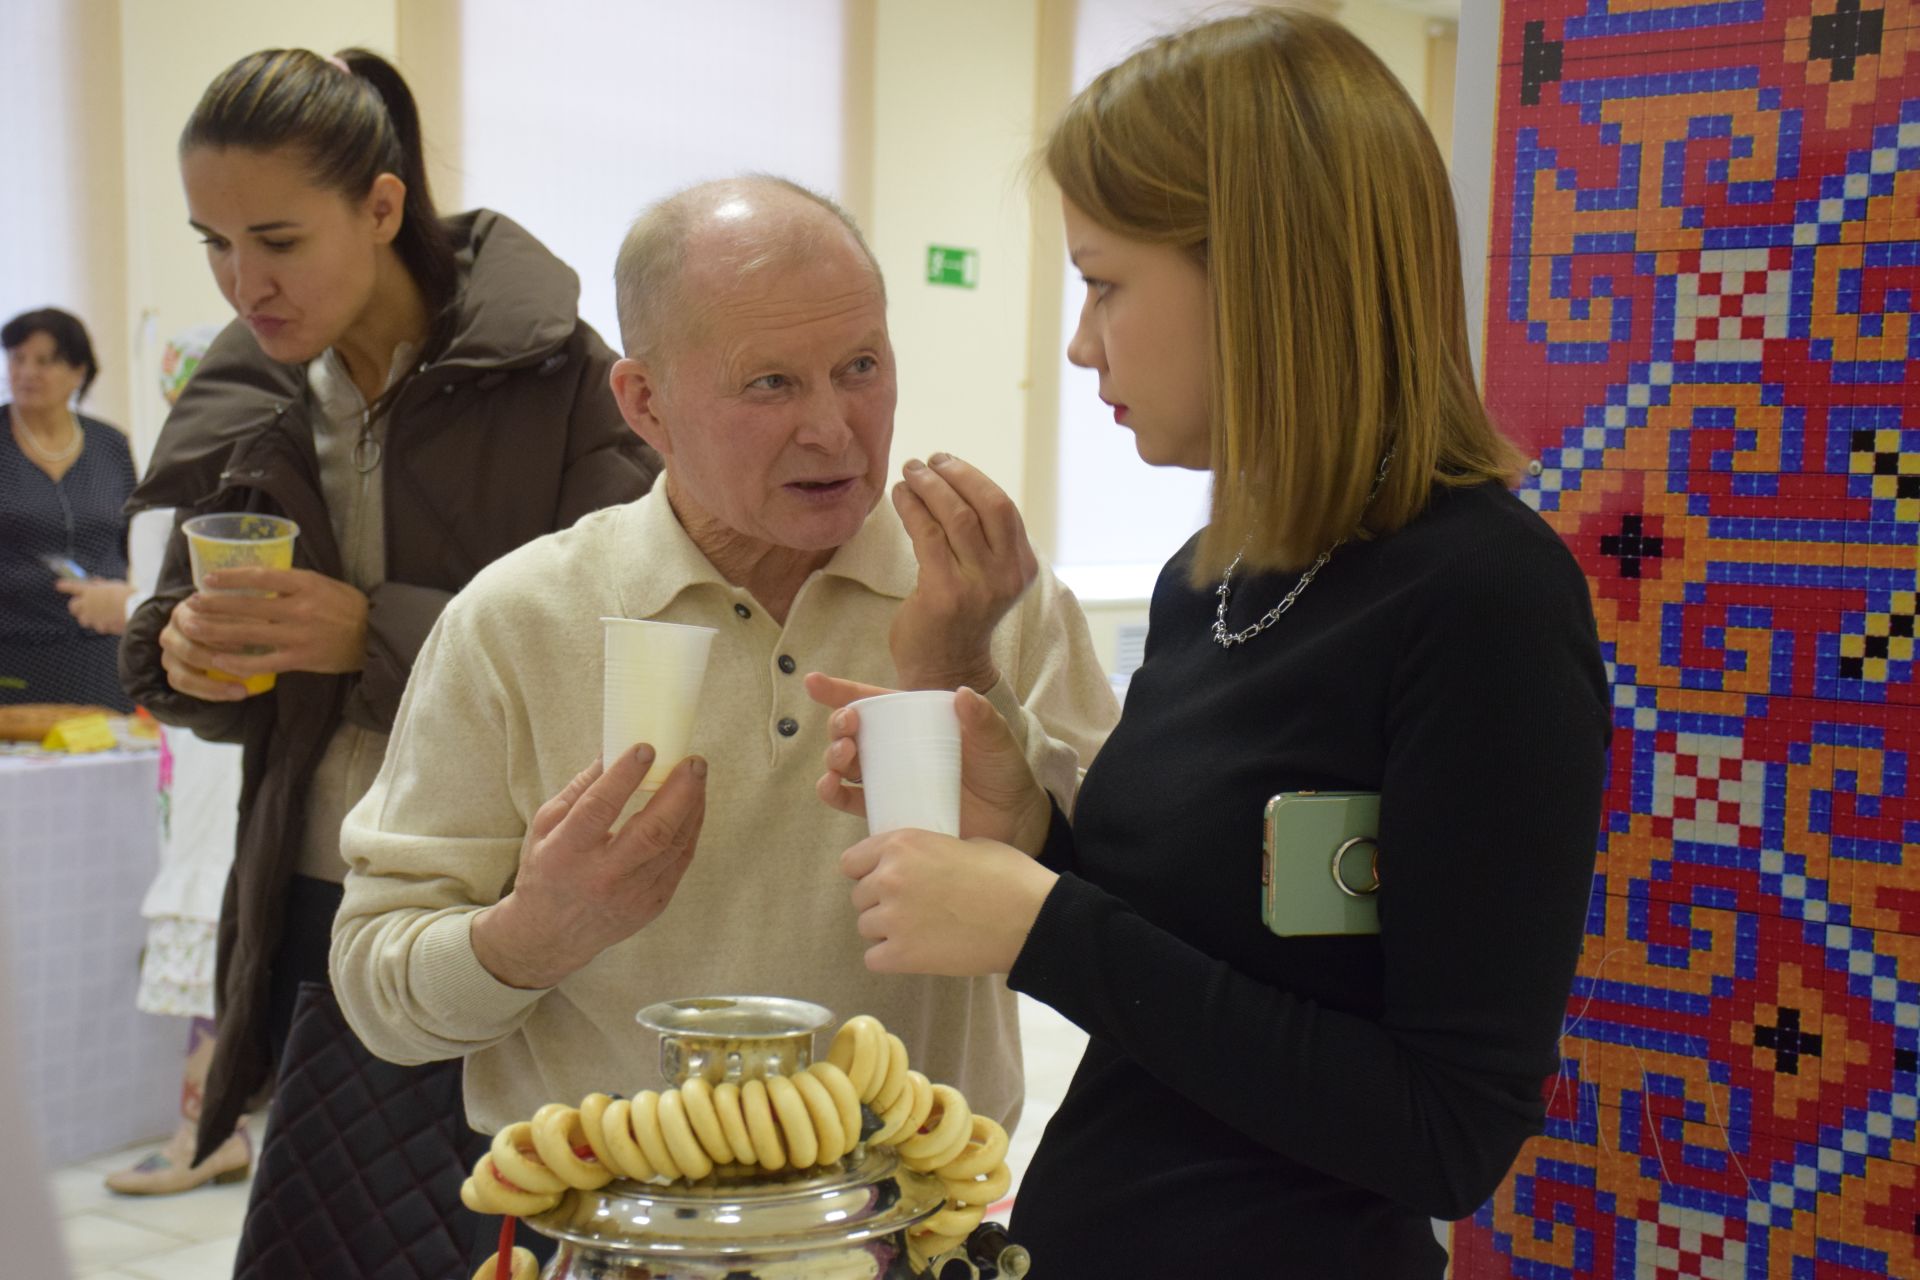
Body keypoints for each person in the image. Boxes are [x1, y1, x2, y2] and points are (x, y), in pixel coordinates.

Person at [810, 12, 1611, 1278]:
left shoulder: (1483, 601)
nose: (1080, 344)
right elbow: (1201, 970)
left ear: (1262, 272)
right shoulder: (1215, 579)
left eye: (1105, 283)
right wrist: (1029, 832)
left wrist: (1043, 923)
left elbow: (1446, 1132)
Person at [329, 178, 1118, 1248]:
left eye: (862, 367)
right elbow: (379, 989)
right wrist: (529, 935)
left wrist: (974, 689)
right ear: (643, 402)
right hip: (614, 1238)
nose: (833, 427)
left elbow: (1138, 932)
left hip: (914, 1229)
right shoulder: (520, 620)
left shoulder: (998, 599)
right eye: (771, 384)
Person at [117, 46, 659, 1274]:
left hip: (504, 899)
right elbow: (160, 648)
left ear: (380, 203)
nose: (242, 282)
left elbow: (624, 645)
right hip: (311, 883)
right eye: (212, 243)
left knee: (503, 1234)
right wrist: (189, 655)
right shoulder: (250, 392)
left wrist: (372, 631)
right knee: (326, 1234)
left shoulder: (561, 377)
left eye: (277, 239)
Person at [107, 327, 251, 1197]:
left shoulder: (224, 488)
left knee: (215, 911)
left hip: (217, 739)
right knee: (213, 914)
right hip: (189, 735)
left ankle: (207, 1124)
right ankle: (208, 1120)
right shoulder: (190, 484)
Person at [1, 308, 136, 711]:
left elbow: (134, 536)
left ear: (79, 372)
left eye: (44, 361)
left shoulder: (110, 445)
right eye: (18, 358)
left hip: (99, 649)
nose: (27, 372)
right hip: (12, 646)